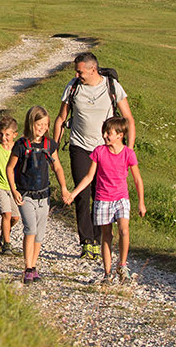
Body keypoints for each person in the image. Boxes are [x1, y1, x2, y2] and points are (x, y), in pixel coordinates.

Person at [51, 52, 136, 259]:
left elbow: (129, 119)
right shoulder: (73, 87)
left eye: (80, 71)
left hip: (105, 150)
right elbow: (61, 118)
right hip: (80, 146)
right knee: (82, 194)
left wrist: (128, 150)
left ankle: (99, 239)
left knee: (102, 196)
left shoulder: (112, 86)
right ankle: (87, 241)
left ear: (92, 69)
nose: (77, 74)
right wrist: (53, 148)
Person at [67, 117, 146, 283]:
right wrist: (73, 194)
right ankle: (107, 273)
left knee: (124, 230)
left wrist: (141, 202)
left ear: (120, 135)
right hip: (102, 199)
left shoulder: (128, 154)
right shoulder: (99, 152)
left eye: (108, 133)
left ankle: (122, 265)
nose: (104, 135)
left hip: (121, 198)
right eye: (104, 132)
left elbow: (137, 179)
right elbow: (89, 177)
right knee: (106, 235)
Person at [6, 106, 70, 283]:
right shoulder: (21, 145)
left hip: (44, 195)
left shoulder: (49, 145)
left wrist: (63, 188)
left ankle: (34, 267)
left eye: (45, 124)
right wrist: (14, 190)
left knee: (40, 233)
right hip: (25, 194)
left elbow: (56, 166)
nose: (42, 128)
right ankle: (27, 267)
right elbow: (10, 168)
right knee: (30, 229)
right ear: (30, 123)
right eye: (38, 124)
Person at [0, 115, 21, 254]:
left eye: (7, 135)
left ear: (14, 135)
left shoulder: (17, 149)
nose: (4, 137)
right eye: (1, 134)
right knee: (6, 214)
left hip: (13, 187)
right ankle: (7, 244)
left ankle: (3, 234)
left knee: (15, 217)